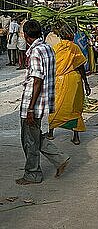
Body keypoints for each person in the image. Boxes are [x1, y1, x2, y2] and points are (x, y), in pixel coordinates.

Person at [16, 19, 70, 185]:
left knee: (29, 140)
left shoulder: (36, 51)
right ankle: (60, 159)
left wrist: (30, 109)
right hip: (42, 102)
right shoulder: (47, 48)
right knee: (34, 135)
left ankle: (33, 174)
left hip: (33, 103)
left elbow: (37, 80)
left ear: (26, 36)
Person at [48, 27, 91, 145]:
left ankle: (51, 132)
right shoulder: (74, 47)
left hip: (58, 81)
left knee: (55, 106)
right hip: (73, 80)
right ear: (70, 36)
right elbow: (80, 66)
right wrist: (86, 83)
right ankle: (76, 136)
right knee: (74, 107)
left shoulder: (55, 48)